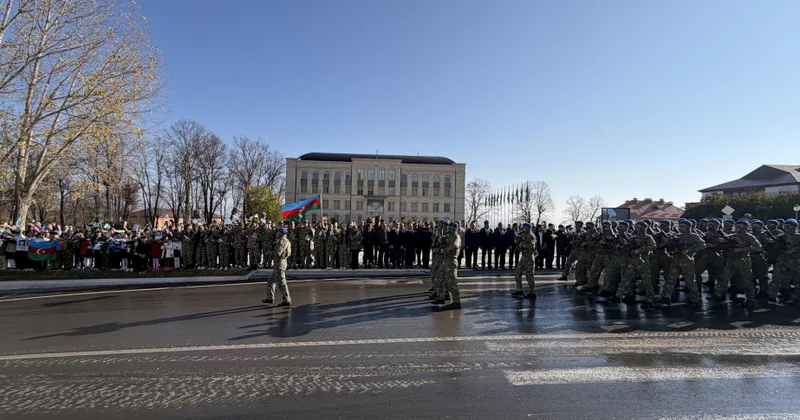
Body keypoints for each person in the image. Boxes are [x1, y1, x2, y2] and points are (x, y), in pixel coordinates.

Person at [262, 227, 292, 307]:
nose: (277, 233)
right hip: (280, 263)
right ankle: (270, 297)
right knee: (271, 280)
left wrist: (269, 252)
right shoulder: (285, 240)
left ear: (282, 233)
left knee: (282, 283)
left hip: (280, 263)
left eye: (279, 232)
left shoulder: (282, 241)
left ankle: (287, 299)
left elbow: (278, 253)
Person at [512, 222, 537, 300]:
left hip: (529, 258)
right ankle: (519, 290)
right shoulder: (523, 235)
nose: (523, 229)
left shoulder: (531, 236)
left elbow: (532, 247)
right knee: (517, 274)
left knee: (529, 276)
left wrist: (522, 245)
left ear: (528, 228)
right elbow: (515, 241)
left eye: (524, 227)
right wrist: (517, 238)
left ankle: (532, 292)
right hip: (523, 258)